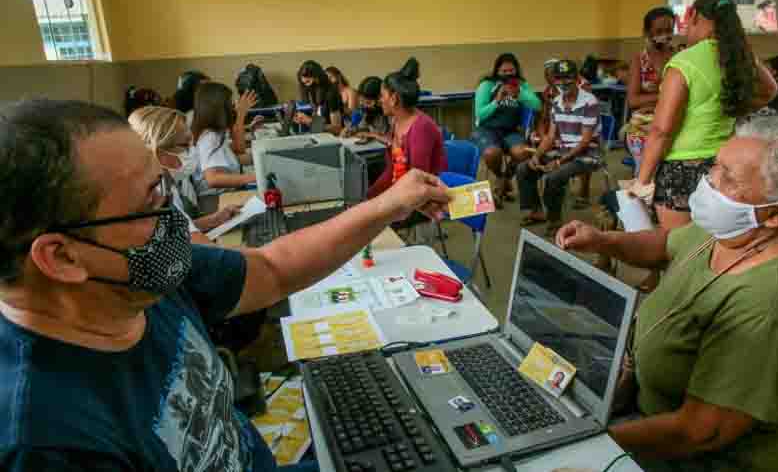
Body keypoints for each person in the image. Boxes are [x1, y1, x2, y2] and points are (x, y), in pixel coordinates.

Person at [0, 99, 449, 472]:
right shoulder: (46, 443)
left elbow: (273, 269)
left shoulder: (137, 280)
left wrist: (388, 205)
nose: (173, 216)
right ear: (61, 257)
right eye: (151, 200)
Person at [556, 116, 778, 472]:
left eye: (729, 179)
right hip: (653, 414)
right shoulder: (728, 232)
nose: (709, 184)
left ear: (777, 214)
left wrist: (588, 442)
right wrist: (603, 240)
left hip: (714, 460)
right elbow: (665, 245)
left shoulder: (768, 308)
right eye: (716, 167)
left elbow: (700, 431)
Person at [631, 0, 777, 231]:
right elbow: (769, 90)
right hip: (725, 166)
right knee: (713, 243)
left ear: (695, 16)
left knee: (676, 248)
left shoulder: (684, 62)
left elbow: (661, 131)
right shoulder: (739, 55)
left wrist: (642, 181)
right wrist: (730, 106)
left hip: (682, 171)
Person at [129, 106, 240, 244]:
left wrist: (215, 219)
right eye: (184, 146)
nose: (193, 152)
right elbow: (205, 248)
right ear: (158, 150)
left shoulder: (167, 183)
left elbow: (180, 229)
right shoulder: (157, 194)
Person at [517, 60, 600, 236]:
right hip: (563, 151)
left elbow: (585, 142)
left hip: (587, 154)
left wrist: (559, 162)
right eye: (559, 78)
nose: (563, 83)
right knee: (524, 168)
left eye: (568, 78)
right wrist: (537, 156)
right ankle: (537, 211)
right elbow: (550, 136)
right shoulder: (556, 102)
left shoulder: (589, 102)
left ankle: (555, 220)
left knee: (554, 177)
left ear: (577, 78)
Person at [368, 58, 447, 200]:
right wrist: (369, 196)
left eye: (382, 95)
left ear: (394, 99)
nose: (380, 100)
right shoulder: (396, 122)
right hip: (403, 191)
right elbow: (391, 170)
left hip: (424, 199)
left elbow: (418, 183)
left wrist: (381, 202)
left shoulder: (421, 128)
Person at [472, 53, 541, 205]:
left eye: (511, 71)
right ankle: (501, 177)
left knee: (522, 152)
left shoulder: (522, 85)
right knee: (491, 153)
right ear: (497, 71)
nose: (508, 74)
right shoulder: (487, 85)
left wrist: (520, 94)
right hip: (487, 130)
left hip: (511, 131)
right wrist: (497, 101)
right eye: (504, 71)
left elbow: (537, 105)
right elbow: (480, 115)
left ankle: (503, 181)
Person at [625, 7, 676, 172]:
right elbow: (633, 101)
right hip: (642, 130)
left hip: (672, 127)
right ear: (646, 32)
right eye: (659, 30)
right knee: (646, 174)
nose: (664, 35)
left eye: (668, 30)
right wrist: (668, 95)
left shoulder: (680, 58)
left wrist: (650, 99)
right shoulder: (639, 60)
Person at [193, 83, 257, 196]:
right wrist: (255, 178)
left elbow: (239, 149)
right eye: (230, 104)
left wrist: (240, 115)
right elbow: (213, 179)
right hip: (216, 199)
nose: (232, 108)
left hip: (226, 193)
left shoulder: (216, 133)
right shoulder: (210, 138)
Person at [295, 60, 343, 135]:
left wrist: (309, 121)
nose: (307, 86)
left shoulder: (331, 94)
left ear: (318, 78)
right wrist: (302, 120)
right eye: (304, 84)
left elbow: (337, 129)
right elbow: (317, 124)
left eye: (308, 82)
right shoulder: (313, 93)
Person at [342, 76, 390, 142]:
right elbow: (364, 129)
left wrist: (372, 135)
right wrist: (352, 131)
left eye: (368, 102)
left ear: (380, 98)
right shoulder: (365, 110)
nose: (364, 105)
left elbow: (391, 140)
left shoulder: (389, 112)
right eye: (362, 101)